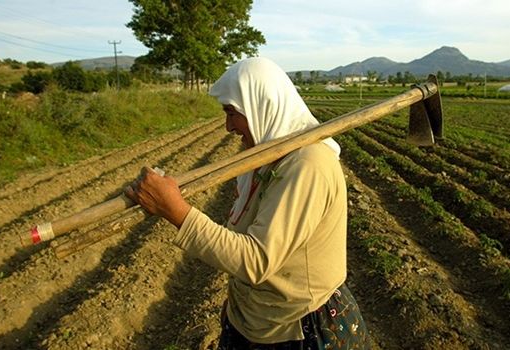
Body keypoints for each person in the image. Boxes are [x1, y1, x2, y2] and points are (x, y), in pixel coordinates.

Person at [125, 57, 370, 348]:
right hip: (255, 319)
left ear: (261, 105)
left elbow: (256, 260)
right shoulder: (266, 157)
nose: (228, 126)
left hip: (298, 327)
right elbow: (245, 238)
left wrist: (175, 210)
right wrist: (238, 305)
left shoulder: (308, 164)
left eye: (232, 113)